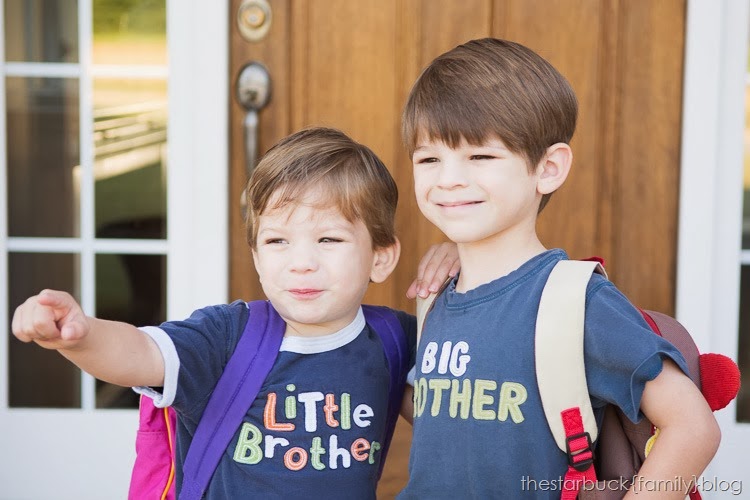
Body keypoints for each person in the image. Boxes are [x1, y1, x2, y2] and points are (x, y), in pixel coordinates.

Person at [11, 127, 458, 499]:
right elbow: (140, 353)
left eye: (329, 240)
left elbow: (460, 414)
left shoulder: (395, 340)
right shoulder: (228, 336)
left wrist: (467, 264)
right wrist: (81, 335)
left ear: (381, 257)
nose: (300, 261)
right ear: (258, 257)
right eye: (277, 241)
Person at [397, 38, 720, 499]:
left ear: (548, 168)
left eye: (480, 156)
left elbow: (693, 428)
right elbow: (450, 420)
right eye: (429, 158)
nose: (447, 178)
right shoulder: (435, 295)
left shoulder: (577, 303)